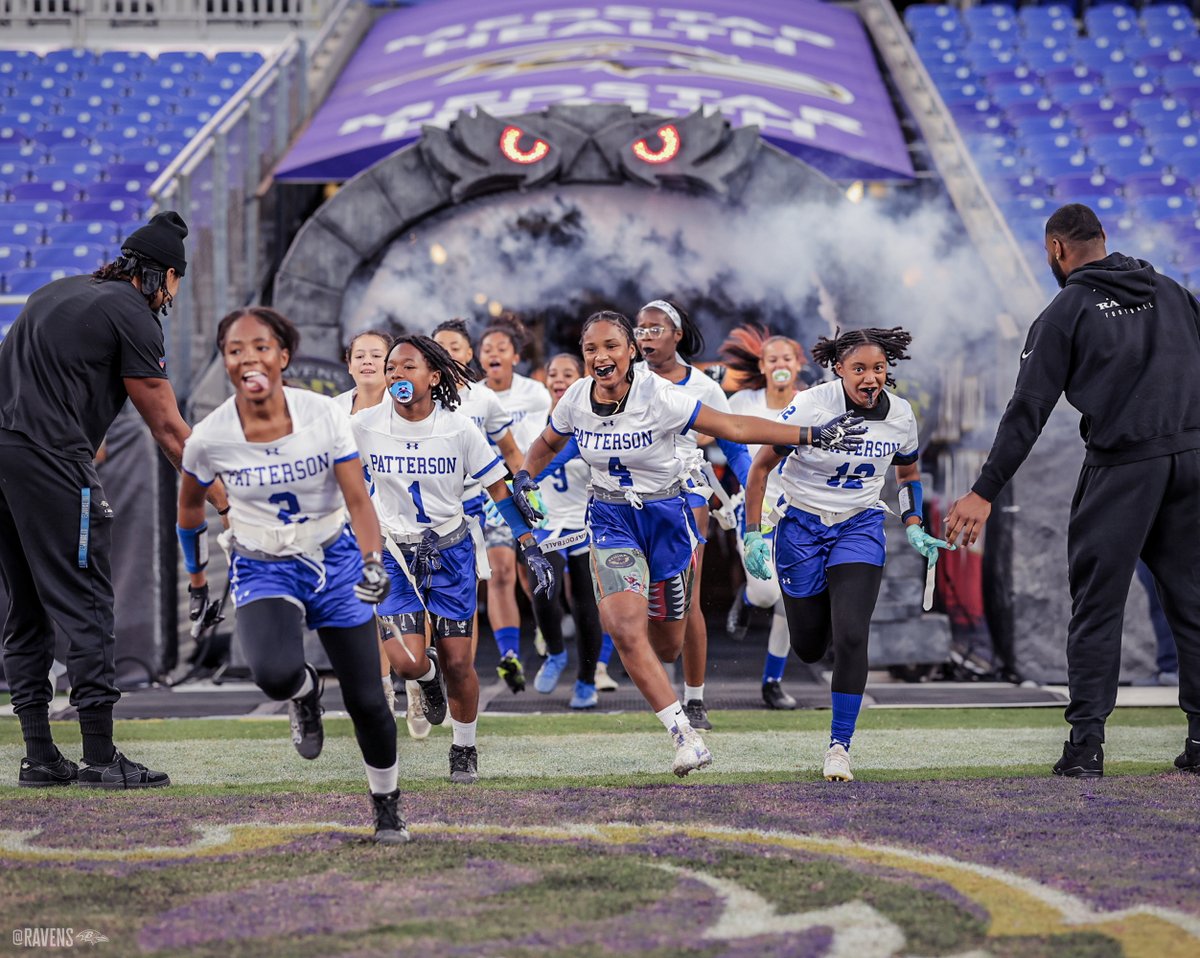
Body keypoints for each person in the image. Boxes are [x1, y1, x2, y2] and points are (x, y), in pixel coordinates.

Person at [514, 310, 866, 776]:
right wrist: (524, 475)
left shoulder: (660, 395)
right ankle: (684, 734)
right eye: (591, 349)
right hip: (610, 518)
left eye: (611, 346)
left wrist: (810, 435)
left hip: (667, 516)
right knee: (622, 626)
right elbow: (546, 442)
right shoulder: (577, 398)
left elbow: (735, 430)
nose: (601, 356)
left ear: (632, 352)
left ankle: (682, 667)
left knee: (668, 645)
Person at [945, 203, 1200, 778]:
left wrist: (984, 490)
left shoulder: (1066, 310)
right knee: (1194, 605)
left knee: (1097, 608)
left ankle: (1086, 747)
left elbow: (1027, 410)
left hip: (1124, 469)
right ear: (1104, 240)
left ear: (1057, 250)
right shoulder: (1175, 292)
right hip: (1192, 462)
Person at [0, 211, 226, 789]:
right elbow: (172, 433)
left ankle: (39, 756)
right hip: (50, 461)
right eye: (175, 281)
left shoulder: (56, 292)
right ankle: (100, 756)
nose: (172, 294)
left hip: (6, 458)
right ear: (161, 275)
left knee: (25, 609)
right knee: (89, 604)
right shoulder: (133, 314)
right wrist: (229, 502)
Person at [176, 307, 407, 842]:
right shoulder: (209, 437)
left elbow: (357, 499)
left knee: (368, 699)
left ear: (283, 356)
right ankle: (305, 693)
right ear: (225, 361)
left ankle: (387, 803)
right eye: (235, 349)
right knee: (274, 675)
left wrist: (372, 562)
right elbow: (190, 511)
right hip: (263, 564)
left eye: (260, 346)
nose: (247, 357)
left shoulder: (322, 415)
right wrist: (196, 581)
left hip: (334, 555)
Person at [744, 326, 951, 782]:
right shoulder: (812, 404)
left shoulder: (899, 414)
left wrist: (915, 524)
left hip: (858, 525)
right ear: (838, 369)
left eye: (878, 368)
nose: (870, 377)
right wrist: (753, 533)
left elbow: (909, 473)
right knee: (810, 646)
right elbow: (760, 466)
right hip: (801, 525)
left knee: (853, 634)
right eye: (859, 368)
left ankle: (840, 746)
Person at [352, 335, 553, 784]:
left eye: (407, 368)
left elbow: (499, 490)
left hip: (450, 551)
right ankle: (425, 679)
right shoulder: (364, 425)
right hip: (394, 553)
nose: (396, 376)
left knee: (460, 662)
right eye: (391, 369)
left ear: (435, 376)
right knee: (405, 660)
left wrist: (530, 545)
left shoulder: (460, 428)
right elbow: (341, 481)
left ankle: (464, 748)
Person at [635, 299, 753, 731]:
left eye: (655, 328)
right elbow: (572, 436)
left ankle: (695, 699)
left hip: (686, 492)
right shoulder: (626, 380)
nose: (645, 336)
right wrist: (527, 474)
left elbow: (737, 446)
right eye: (640, 329)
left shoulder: (702, 386)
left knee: (687, 602)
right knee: (634, 604)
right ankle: (659, 694)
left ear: (677, 334)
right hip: (629, 499)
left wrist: (752, 501)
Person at [719, 323, 810, 709]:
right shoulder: (743, 403)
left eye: (786, 358)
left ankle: (772, 682)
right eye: (772, 359)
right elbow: (722, 440)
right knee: (766, 591)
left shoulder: (812, 402)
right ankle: (747, 596)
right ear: (763, 364)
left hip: (799, 514)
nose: (779, 364)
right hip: (755, 512)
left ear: (798, 363)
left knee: (790, 600)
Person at [477, 316, 551, 691]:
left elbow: (536, 444)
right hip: (489, 493)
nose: (493, 353)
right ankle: (510, 656)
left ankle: (544, 626)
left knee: (529, 572)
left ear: (515, 357)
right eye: (486, 348)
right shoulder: (471, 396)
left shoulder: (535, 394)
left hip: (524, 485)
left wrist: (526, 482)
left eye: (500, 348)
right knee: (501, 571)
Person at [529, 353, 607, 708]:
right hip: (546, 524)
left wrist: (529, 478)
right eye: (553, 373)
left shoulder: (592, 418)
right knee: (545, 587)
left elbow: (565, 452)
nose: (559, 379)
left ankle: (586, 680)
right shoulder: (533, 420)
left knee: (586, 602)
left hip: (586, 520)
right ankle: (556, 652)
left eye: (568, 373)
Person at [334, 330, 392, 416]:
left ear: (391, 365)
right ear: (350, 366)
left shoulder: (405, 407)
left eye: (376, 355)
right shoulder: (334, 408)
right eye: (359, 356)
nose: (367, 361)